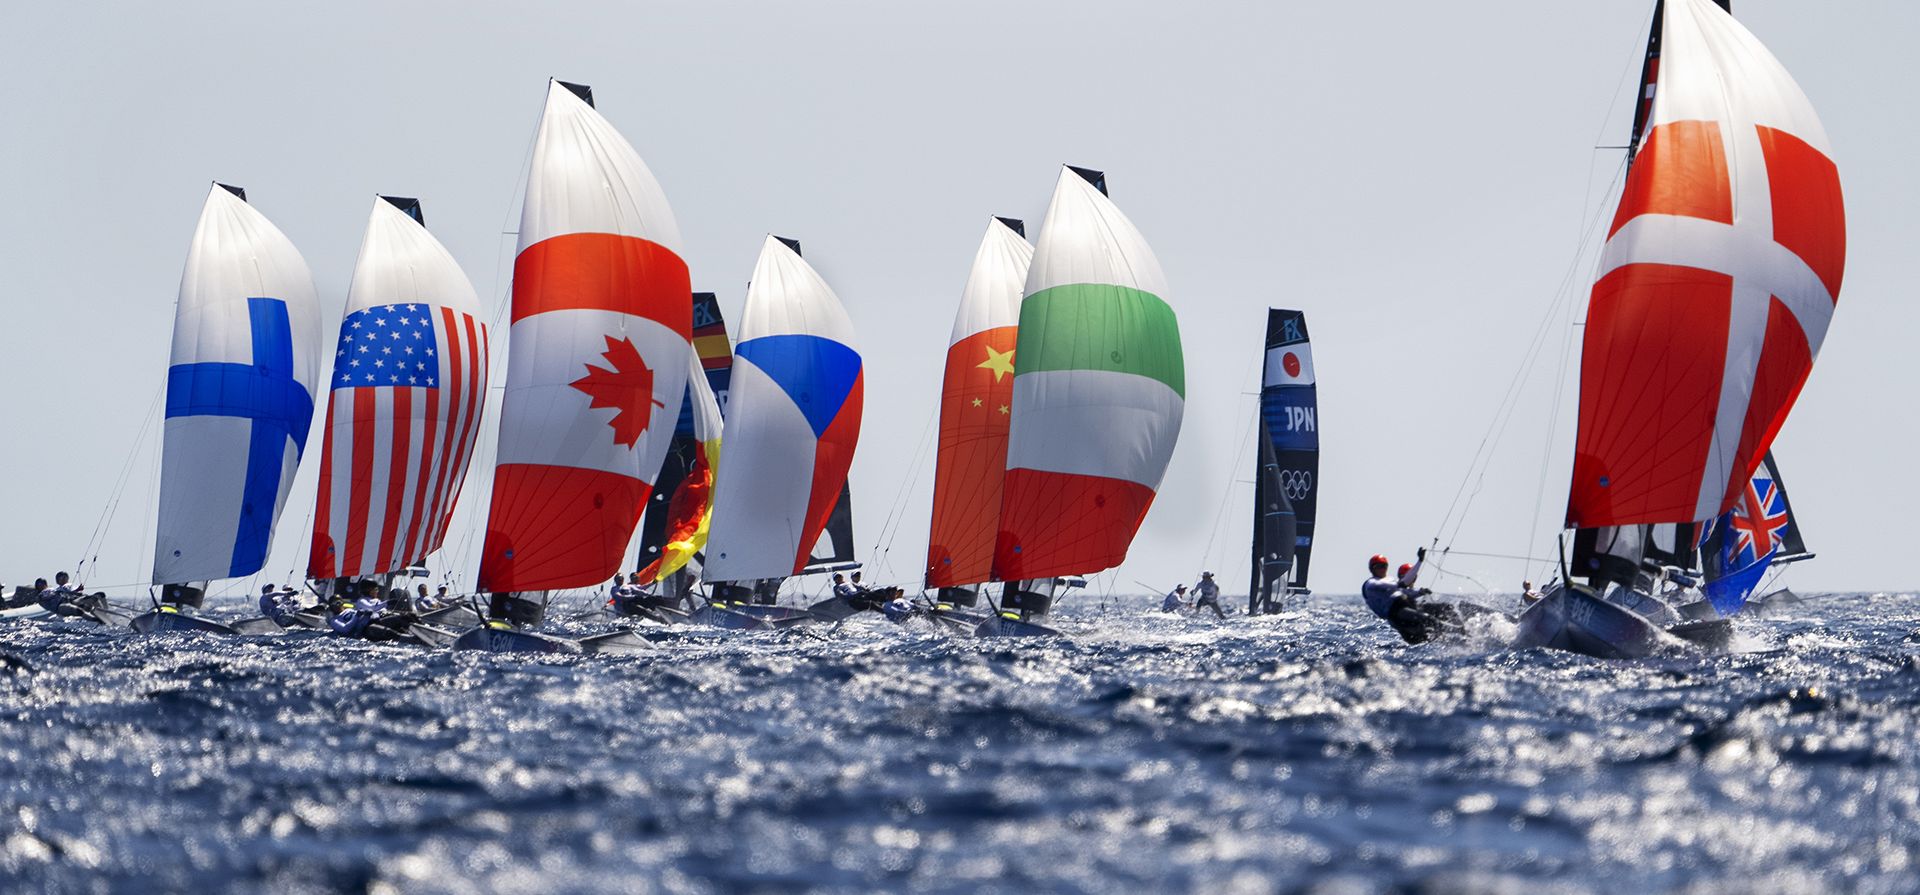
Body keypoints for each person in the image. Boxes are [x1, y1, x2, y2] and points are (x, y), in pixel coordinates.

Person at [1361, 550, 1437, 642]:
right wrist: (1420, 561)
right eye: (1378, 567)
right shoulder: (1372, 584)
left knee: (1427, 630)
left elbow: (1405, 591)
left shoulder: (1389, 580)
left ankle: (1449, 636)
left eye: (1384, 566)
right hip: (1396, 614)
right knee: (1427, 621)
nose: (1382, 569)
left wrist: (1420, 592)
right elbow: (1403, 583)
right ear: (1372, 569)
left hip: (1403, 608)